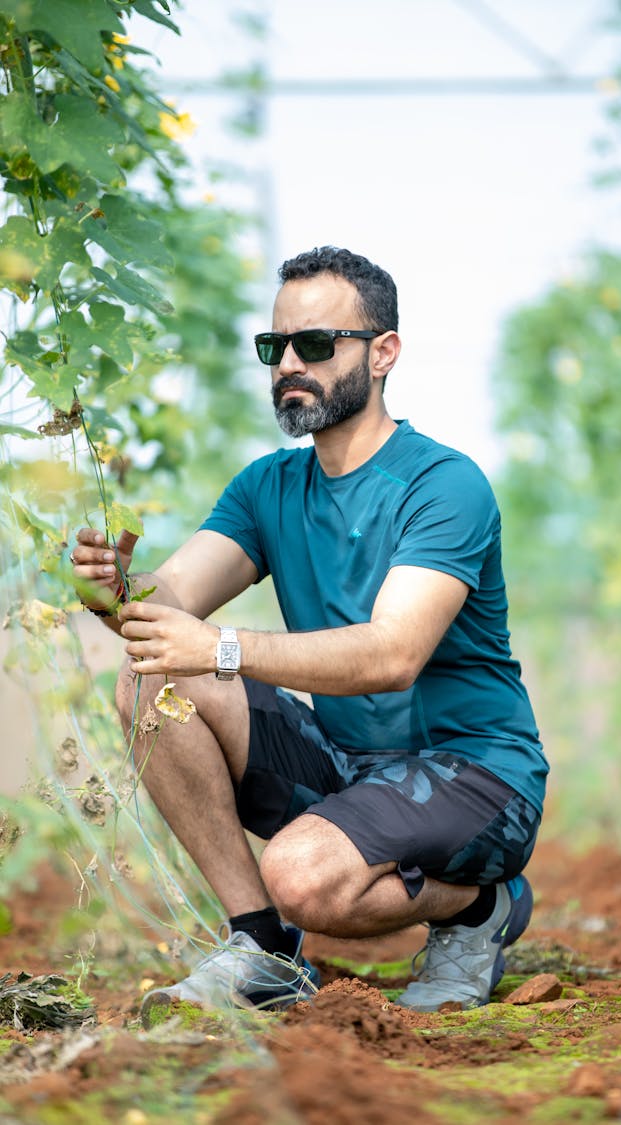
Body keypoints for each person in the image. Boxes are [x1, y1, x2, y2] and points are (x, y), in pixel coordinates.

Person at [70, 246, 548, 1021]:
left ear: (384, 352)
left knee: (304, 876)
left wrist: (223, 646)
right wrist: (112, 590)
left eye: (316, 344)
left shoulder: (444, 484)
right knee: (152, 677)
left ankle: (477, 906)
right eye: (276, 347)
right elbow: (170, 600)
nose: (289, 362)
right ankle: (262, 947)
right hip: (354, 766)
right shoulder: (268, 486)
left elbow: (394, 653)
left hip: (477, 775)